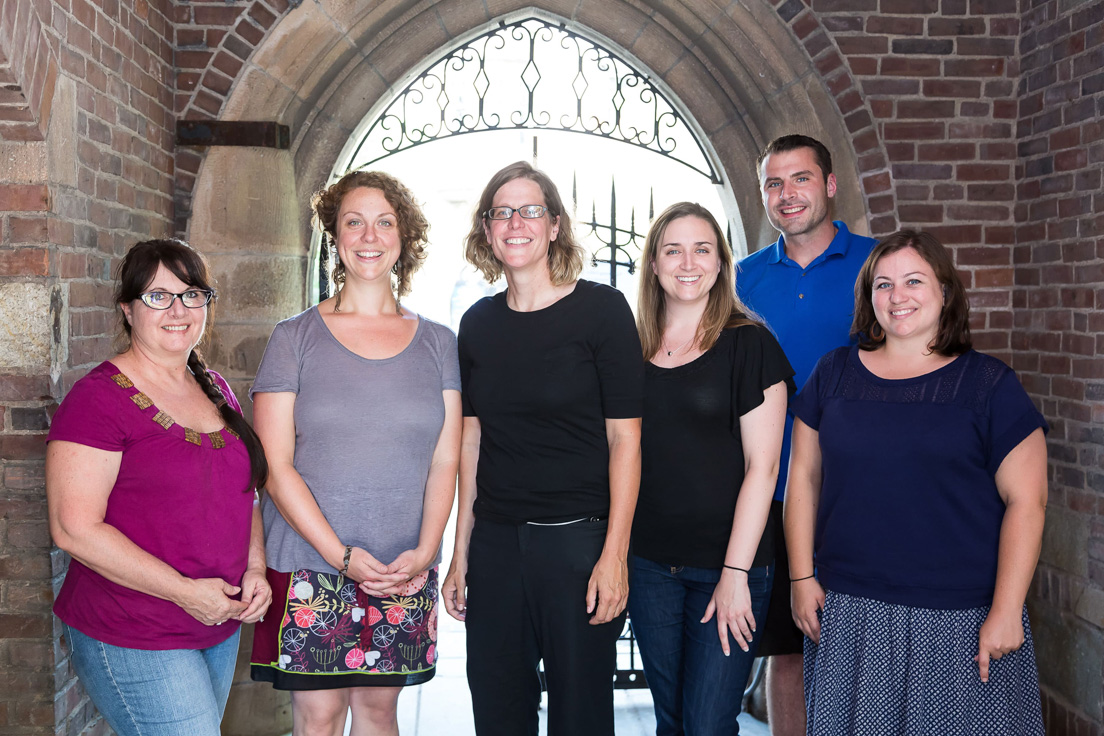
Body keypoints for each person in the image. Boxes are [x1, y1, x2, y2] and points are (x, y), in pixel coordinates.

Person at [786, 230, 1047, 735]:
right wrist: (801, 578)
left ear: (944, 292)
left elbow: (1028, 502)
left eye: (913, 281)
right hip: (851, 611)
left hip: (959, 617)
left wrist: (1007, 608)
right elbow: (803, 477)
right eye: (882, 284)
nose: (896, 296)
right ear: (868, 297)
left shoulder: (990, 385)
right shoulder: (833, 374)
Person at [248, 171, 462, 735]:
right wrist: (340, 555)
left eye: (384, 221)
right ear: (334, 237)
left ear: (404, 236)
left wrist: (425, 550)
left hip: (402, 566)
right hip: (310, 564)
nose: (370, 235)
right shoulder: (293, 337)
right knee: (318, 717)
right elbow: (274, 464)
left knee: (378, 711)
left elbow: (446, 458)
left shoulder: (440, 342)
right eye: (354, 221)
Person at [441, 161, 644, 736]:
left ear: (555, 225)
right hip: (498, 545)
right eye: (501, 212)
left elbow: (624, 438)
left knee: (581, 718)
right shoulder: (477, 324)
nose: (515, 223)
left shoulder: (602, 311)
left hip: (578, 546)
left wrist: (614, 555)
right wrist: (463, 553)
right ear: (486, 230)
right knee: (499, 711)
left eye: (530, 210)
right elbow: (472, 442)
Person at [47, 238, 271, 735]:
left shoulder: (212, 386)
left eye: (192, 295)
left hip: (217, 618)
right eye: (157, 296)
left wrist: (255, 567)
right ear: (127, 310)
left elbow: (244, 493)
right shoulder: (97, 401)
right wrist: (186, 593)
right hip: (134, 627)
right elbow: (74, 529)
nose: (178, 309)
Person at [628, 202, 793, 735]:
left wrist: (735, 575)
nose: (688, 263)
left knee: (708, 724)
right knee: (672, 721)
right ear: (653, 264)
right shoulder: (632, 349)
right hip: (650, 565)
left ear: (722, 263)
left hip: (729, 567)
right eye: (672, 250)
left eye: (702, 249)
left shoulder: (751, 344)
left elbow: (763, 469)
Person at [735, 134, 877, 736]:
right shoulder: (741, 279)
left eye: (800, 179)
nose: (787, 194)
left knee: (864, 648)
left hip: (858, 490)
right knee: (785, 648)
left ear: (829, 185)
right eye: (774, 182)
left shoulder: (877, 265)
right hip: (767, 493)